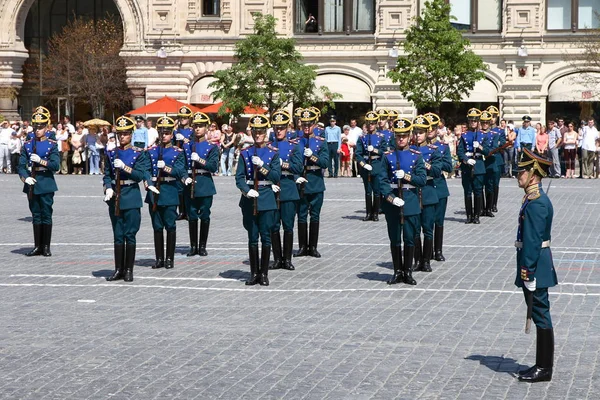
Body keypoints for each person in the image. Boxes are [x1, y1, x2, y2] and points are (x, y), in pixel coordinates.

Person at [514, 147, 557, 383]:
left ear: (534, 174)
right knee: (540, 312)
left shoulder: (538, 203)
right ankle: (541, 364)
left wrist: (527, 271)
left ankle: (544, 367)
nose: (517, 175)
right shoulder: (531, 198)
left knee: (541, 314)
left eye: (522, 171)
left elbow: (532, 240)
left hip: (536, 266)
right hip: (534, 264)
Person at [103, 116, 150, 282]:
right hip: (115, 195)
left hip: (130, 194)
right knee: (117, 234)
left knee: (130, 234)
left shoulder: (138, 153)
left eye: (125, 134)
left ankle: (129, 269)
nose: (122, 136)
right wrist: (108, 187)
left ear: (131, 135)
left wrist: (125, 167)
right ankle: (118, 269)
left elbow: (139, 175)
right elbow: (107, 174)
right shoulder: (110, 152)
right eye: (120, 133)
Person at [236, 114, 281, 285]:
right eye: (255, 131)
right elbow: (239, 177)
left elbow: (276, 176)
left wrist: (262, 166)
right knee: (252, 237)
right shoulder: (245, 153)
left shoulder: (272, 154)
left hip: (266, 197)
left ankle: (264, 274)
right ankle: (253, 273)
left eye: (261, 131)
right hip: (250, 198)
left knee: (266, 236)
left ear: (266, 133)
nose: (258, 135)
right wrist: (247, 191)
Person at [380, 117, 426, 286]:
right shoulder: (387, 156)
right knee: (394, 239)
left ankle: (408, 271)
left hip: (410, 200)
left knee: (409, 238)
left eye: (404, 136)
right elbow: (381, 181)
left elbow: (421, 180)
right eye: (398, 136)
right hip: (393, 201)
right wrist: (391, 198)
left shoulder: (416, 156)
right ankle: (397, 271)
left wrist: (407, 177)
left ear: (409, 137)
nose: (401, 139)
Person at [145, 116, 187, 270]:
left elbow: (180, 171)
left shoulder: (177, 152)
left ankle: (169, 258)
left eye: (167, 132)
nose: (164, 135)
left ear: (172, 134)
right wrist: (147, 182)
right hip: (154, 191)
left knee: (170, 226)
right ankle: (159, 258)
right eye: (162, 132)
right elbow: (145, 169)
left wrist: (167, 168)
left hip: (169, 190)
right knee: (157, 226)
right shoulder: (151, 151)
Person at [18, 111, 60, 257]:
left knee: (46, 214)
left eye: (41, 127)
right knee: (36, 214)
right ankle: (37, 246)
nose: (37, 130)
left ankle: (46, 246)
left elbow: (56, 165)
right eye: (36, 127)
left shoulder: (51, 145)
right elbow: (21, 166)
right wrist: (25, 178)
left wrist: (41, 161)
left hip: (45, 181)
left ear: (46, 128)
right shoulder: (28, 144)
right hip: (32, 181)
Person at [269, 110, 303, 271]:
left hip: (288, 188)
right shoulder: (268, 147)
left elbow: (298, 167)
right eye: (276, 127)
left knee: (288, 225)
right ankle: (277, 259)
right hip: (272, 188)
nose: (279, 130)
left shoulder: (293, 146)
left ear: (287, 128)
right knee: (274, 226)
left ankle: (287, 259)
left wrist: (283, 164)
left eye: (282, 127)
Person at [181, 112, 219, 257]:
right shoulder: (186, 146)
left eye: (201, 126)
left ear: (206, 128)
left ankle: (202, 246)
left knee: (204, 215)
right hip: (190, 183)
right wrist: (184, 177)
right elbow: (181, 166)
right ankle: (193, 246)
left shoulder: (211, 147)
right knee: (191, 215)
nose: (198, 129)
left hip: (204, 183)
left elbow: (213, 167)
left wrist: (200, 160)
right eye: (196, 126)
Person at [294, 107, 329, 258]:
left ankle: (313, 247)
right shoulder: (295, 142)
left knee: (315, 215)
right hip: (301, 180)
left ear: (314, 124)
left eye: (309, 124)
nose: (306, 127)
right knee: (301, 215)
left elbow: (325, 162)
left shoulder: (321, 142)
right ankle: (302, 246)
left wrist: (313, 156)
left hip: (315, 181)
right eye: (304, 124)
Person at [411, 115, 441, 272]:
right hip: (414, 192)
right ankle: (417, 259)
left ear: (426, 133)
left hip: (428, 191)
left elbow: (437, 171)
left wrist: (425, 165)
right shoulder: (408, 151)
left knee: (428, 228)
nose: (418, 136)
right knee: (415, 228)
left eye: (421, 132)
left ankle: (427, 260)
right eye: (415, 132)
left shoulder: (432, 151)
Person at [425, 113, 453, 262]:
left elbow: (449, 167)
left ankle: (438, 250)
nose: (429, 130)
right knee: (426, 222)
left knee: (439, 221)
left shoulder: (442, 147)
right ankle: (427, 251)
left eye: (433, 128)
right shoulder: (416, 148)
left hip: (439, 186)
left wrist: (436, 163)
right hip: (425, 186)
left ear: (437, 129)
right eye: (427, 128)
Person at [456, 108, 489, 224]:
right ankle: (469, 216)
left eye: (475, 121)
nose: (473, 123)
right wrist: (466, 160)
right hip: (467, 166)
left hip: (479, 165)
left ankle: (477, 216)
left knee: (478, 191)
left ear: (478, 121)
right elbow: (459, 151)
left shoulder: (483, 135)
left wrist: (480, 147)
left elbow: (488, 151)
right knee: (468, 191)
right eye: (471, 121)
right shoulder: (464, 135)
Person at [355, 111, 386, 222]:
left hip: (377, 165)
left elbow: (384, 151)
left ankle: (376, 213)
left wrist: (374, 150)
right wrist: (363, 164)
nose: (371, 125)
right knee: (368, 191)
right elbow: (358, 153)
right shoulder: (362, 138)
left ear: (376, 124)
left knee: (377, 191)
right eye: (369, 123)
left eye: (373, 123)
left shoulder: (381, 137)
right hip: (366, 166)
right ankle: (368, 213)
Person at [174, 106, 194, 220]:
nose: (182, 119)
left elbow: (194, 144)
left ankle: (189, 210)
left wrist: (185, 140)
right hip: (178, 161)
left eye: (185, 117)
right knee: (179, 188)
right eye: (181, 117)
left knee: (188, 187)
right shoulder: (175, 131)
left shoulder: (192, 131)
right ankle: (181, 211)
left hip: (188, 161)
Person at [480, 111, 499, 218]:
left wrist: (483, 150)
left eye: (487, 122)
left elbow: (494, 148)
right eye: (483, 122)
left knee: (489, 186)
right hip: (480, 163)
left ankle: (489, 208)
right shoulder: (477, 134)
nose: (485, 124)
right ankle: (481, 208)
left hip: (489, 163)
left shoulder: (494, 135)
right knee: (479, 186)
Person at [487, 106, 506, 213]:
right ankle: (486, 205)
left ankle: (494, 204)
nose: (492, 119)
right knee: (487, 183)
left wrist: (497, 145)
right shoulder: (483, 130)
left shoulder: (500, 131)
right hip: (486, 158)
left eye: (494, 116)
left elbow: (503, 143)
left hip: (497, 159)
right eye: (490, 116)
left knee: (495, 183)